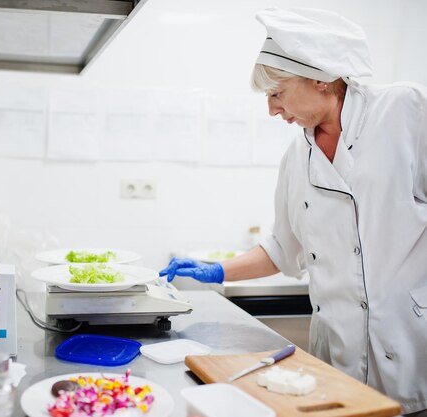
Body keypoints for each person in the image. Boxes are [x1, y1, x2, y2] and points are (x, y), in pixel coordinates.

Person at [160, 8, 427, 416]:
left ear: (321, 78)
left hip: (411, 344)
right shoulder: (296, 157)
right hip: (337, 356)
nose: (271, 110)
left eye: (276, 93)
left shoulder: (404, 111)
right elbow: (283, 250)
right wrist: (216, 269)